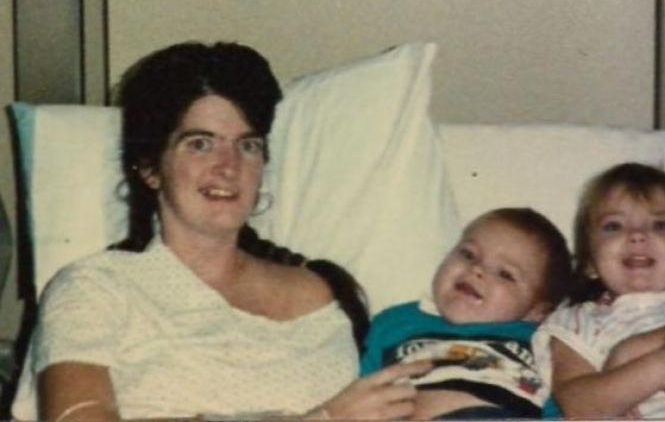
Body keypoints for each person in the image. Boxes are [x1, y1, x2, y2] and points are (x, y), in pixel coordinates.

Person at [12, 41, 430, 422]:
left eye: (248, 145)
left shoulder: (324, 293)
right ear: (150, 168)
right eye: (200, 143)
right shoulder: (94, 290)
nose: (229, 167)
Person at [533, 162, 665, 419]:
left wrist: (635, 348)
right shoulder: (576, 323)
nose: (637, 235)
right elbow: (578, 407)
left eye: (660, 225)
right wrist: (656, 369)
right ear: (590, 261)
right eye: (613, 226)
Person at [360, 207, 572, 420]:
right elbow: (362, 392)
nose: (477, 269)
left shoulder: (542, 343)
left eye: (505, 274)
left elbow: (564, 408)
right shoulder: (397, 321)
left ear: (537, 311)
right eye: (468, 255)